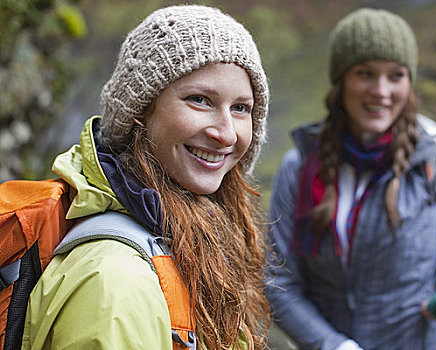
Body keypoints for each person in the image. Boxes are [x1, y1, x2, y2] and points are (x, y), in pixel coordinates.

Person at [265, 7, 436, 350]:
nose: (381, 91)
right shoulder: (299, 166)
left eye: (396, 75)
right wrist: (335, 346)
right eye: (366, 73)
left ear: (409, 82)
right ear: (341, 81)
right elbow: (279, 280)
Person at [21, 5, 270, 350]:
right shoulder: (114, 279)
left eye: (241, 108)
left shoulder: (187, 238)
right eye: (199, 100)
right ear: (140, 111)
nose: (227, 134)